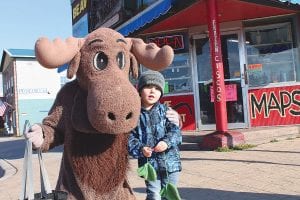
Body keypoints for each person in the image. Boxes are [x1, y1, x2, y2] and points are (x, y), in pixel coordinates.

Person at [128, 70, 182, 200]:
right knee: (154, 194)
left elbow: (176, 132)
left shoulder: (166, 112)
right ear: (140, 90)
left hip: (170, 163)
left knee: (170, 194)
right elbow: (129, 138)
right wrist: (141, 149)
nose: (153, 91)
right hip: (149, 164)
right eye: (148, 87)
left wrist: (166, 142)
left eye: (157, 88)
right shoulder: (134, 115)